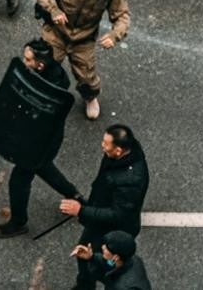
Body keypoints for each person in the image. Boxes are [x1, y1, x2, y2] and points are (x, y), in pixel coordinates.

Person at [0, 38, 80, 239]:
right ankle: (73, 194)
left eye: (28, 59)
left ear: (40, 64)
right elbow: (11, 90)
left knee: (19, 180)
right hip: (35, 140)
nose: (25, 63)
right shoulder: (40, 74)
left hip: (39, 141)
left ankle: (18, 222)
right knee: (42, 167)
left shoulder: (53, 87)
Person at [34, 0, 131, 120]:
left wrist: (115, 35)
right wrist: (54, 10)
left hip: (83, 39)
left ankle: (90, 97)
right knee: (44, 65)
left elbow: (122, 16)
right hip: (57, 33)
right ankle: (39, 94)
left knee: (87, 75)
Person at [60, 124, 149, 290]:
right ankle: (85, 284)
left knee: (107, 264)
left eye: (106, 143)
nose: (102, 145)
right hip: (101, 220)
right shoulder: (118, 157)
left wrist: (81, 210)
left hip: (114, 228)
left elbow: (118, 215)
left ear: (119, 150)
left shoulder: (131, 181)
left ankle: (88, 283)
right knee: (86, 254)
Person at [71, 230, 152, 290]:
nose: (103, 247)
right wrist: (91, 257)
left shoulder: (122, 287)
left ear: (116, 257)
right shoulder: (133, 260)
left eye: (107, 248)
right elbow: (109, 263)